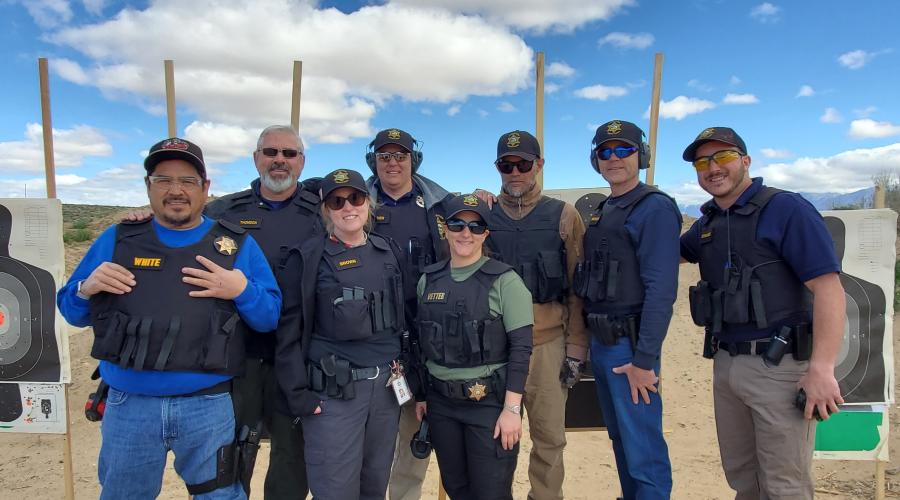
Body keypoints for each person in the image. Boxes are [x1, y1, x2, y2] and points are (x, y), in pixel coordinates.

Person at [57, 137, 282, 499]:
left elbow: (269, 317)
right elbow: (72, 311)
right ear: (148, 186)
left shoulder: (235, 246)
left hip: (207, 406)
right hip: (128, 406)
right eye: (163, 179)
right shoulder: (118, 238)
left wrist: (242, 290)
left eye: (187, 181)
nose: (176, 190)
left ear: (205, 188)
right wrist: (86, 287)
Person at [680, 127, 845, 499]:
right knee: (743, 478)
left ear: (745, 161)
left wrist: (822, 368)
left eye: (722, 157)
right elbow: (668, 255)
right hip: (725, 364)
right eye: (702, 162)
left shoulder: (786, 209)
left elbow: (830, 290)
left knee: (785, 483)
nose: (712, 168)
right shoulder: (708, 222)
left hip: (779, 368)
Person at [275, 168, 414, 500]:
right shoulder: (308, 258)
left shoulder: (389, 250)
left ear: (368, 203)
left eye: (355, 198)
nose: (348, 207)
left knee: (374, 484)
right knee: (335, 488)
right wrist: (299, 394)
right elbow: (289, 332)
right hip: (335, 394)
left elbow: (406, 316)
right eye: (337, 201)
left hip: (386, 391)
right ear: (326, 210)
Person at [205, 125, 321, 500]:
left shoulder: (322, 212)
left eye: (289, 154)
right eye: (270, 152)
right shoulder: (222, 212)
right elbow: (177, 231)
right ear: (256, 158)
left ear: (301, 163)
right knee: (232, 452)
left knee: (291, 456)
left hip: (296, 354)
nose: (279, 160)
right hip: (237, 355)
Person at [575, 120, 680, 499]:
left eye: (624, 150)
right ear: (596, 159)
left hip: (630, 348)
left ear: (642, 155)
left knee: (643, 449)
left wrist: (645, 360)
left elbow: (661, 291)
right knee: (622, 439)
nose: (614, 158)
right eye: (606, 151)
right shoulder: (608, 208)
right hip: (604, 344)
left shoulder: (654, 208)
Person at [482, 130, 589, 500]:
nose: (515, 172)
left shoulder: (563, 215)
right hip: (494, 350)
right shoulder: (482, 214)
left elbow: (578, 287)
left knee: (549, 440)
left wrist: (576, 347)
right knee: (495, 441)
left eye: (523, 164)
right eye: (506, 164)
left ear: (539, 165)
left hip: (547, 346)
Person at [415, 193, 533, 500]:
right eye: (457, 224)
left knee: (491, 492)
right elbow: (424, 343)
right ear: (446, 229)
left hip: (488, 405)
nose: (466, 233)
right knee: (456, 489)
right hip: (441, 405)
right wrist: (422, 396)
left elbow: (521, 348)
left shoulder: (506, 282)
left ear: (486, 233)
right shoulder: (428, 280)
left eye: (476, 226)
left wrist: (511, 410)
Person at [363, 127, 452, 500]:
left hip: (422, 338)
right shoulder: (354, 203)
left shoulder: (440, 206)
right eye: (384, 156)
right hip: (370, 337)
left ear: (413, 160)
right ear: (373, 162)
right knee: (367, 442)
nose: (392, 162)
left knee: (415, 436)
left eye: (400, 155)